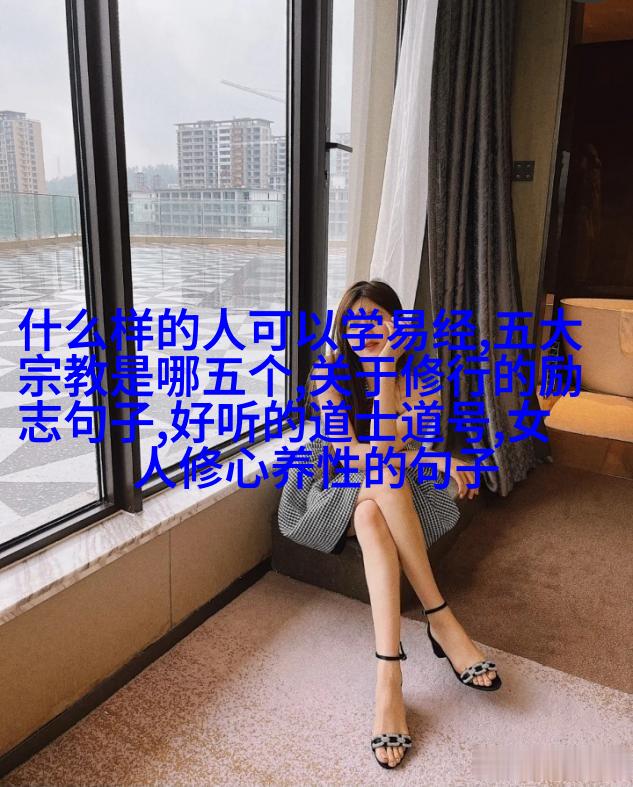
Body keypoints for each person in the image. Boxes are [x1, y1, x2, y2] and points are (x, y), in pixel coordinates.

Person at [277, 279, 502, 770]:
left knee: (373, 514)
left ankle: (389, 677)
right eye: (354, 321)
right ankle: (440, 618)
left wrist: (389, 378)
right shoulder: (328, 373)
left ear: (397, 322)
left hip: (386, 491)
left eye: (377, 318)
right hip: (332, 485)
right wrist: (422, 448)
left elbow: (401, 446)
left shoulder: (421, 374)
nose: (367, 330)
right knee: (381, 478)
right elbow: (358, 455)